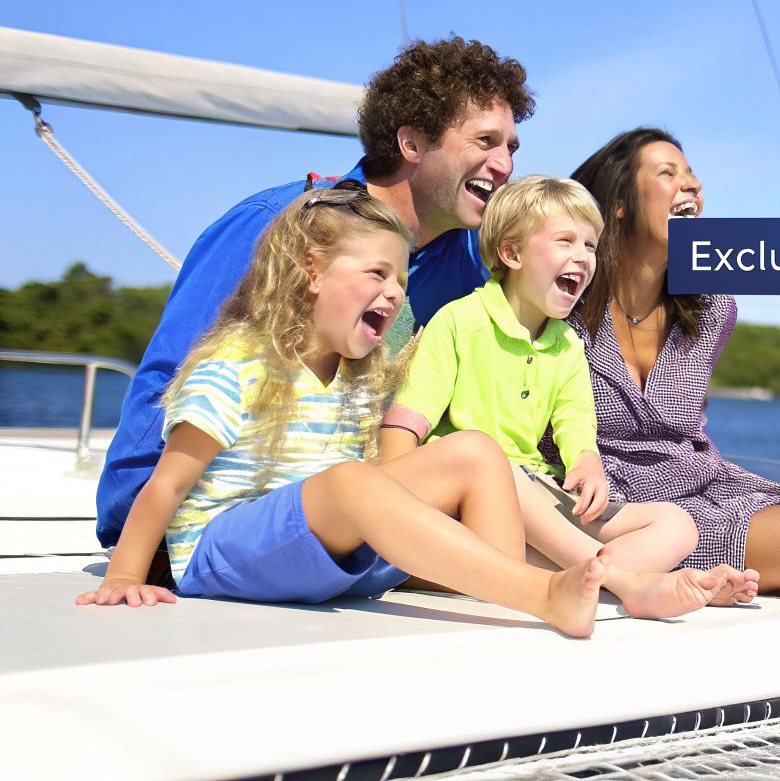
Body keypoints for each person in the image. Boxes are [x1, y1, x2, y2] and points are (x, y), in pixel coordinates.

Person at [72, 189, 688, 635]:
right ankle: (545, 593)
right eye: (377, 272)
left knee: (473, 449)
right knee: (350, 482)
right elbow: (166, 484)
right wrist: (124, 574)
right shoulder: (236, 365)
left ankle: (507, 596)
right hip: (226, 550)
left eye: (399, 276)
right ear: (310, 274)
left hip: (325, 548)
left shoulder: (358, 377)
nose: (395, 291)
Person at [97, 37, 532, 557]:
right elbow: (172, 379)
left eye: (510, 147)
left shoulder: (469, 266)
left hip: (362, 520)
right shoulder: (277, 226)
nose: (504, 165)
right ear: (412, 144)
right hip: (225, 533)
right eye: (485, 141)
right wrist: (139, 540)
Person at [558, 128, 780, 600]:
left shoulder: (711, 306)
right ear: (619, 202)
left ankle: (702, 564)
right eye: (669, 173)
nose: (692, 185)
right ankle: (657, 569)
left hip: (704, 480)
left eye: (691, 175)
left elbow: (690, 422)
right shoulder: (565, 298)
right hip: (617, 504)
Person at [379, 176, 758, 605]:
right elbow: (406, 421)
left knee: (677, 525)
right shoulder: (460, 321)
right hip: (467, 500)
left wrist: (587, 461)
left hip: (537, 496)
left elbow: (575, 420)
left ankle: (578, 578)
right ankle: (630, 584)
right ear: (511, 252)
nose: (583, 257)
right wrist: (395, 512)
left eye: (591, 246)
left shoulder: (568, 344)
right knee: (495, 464)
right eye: (566, 241)